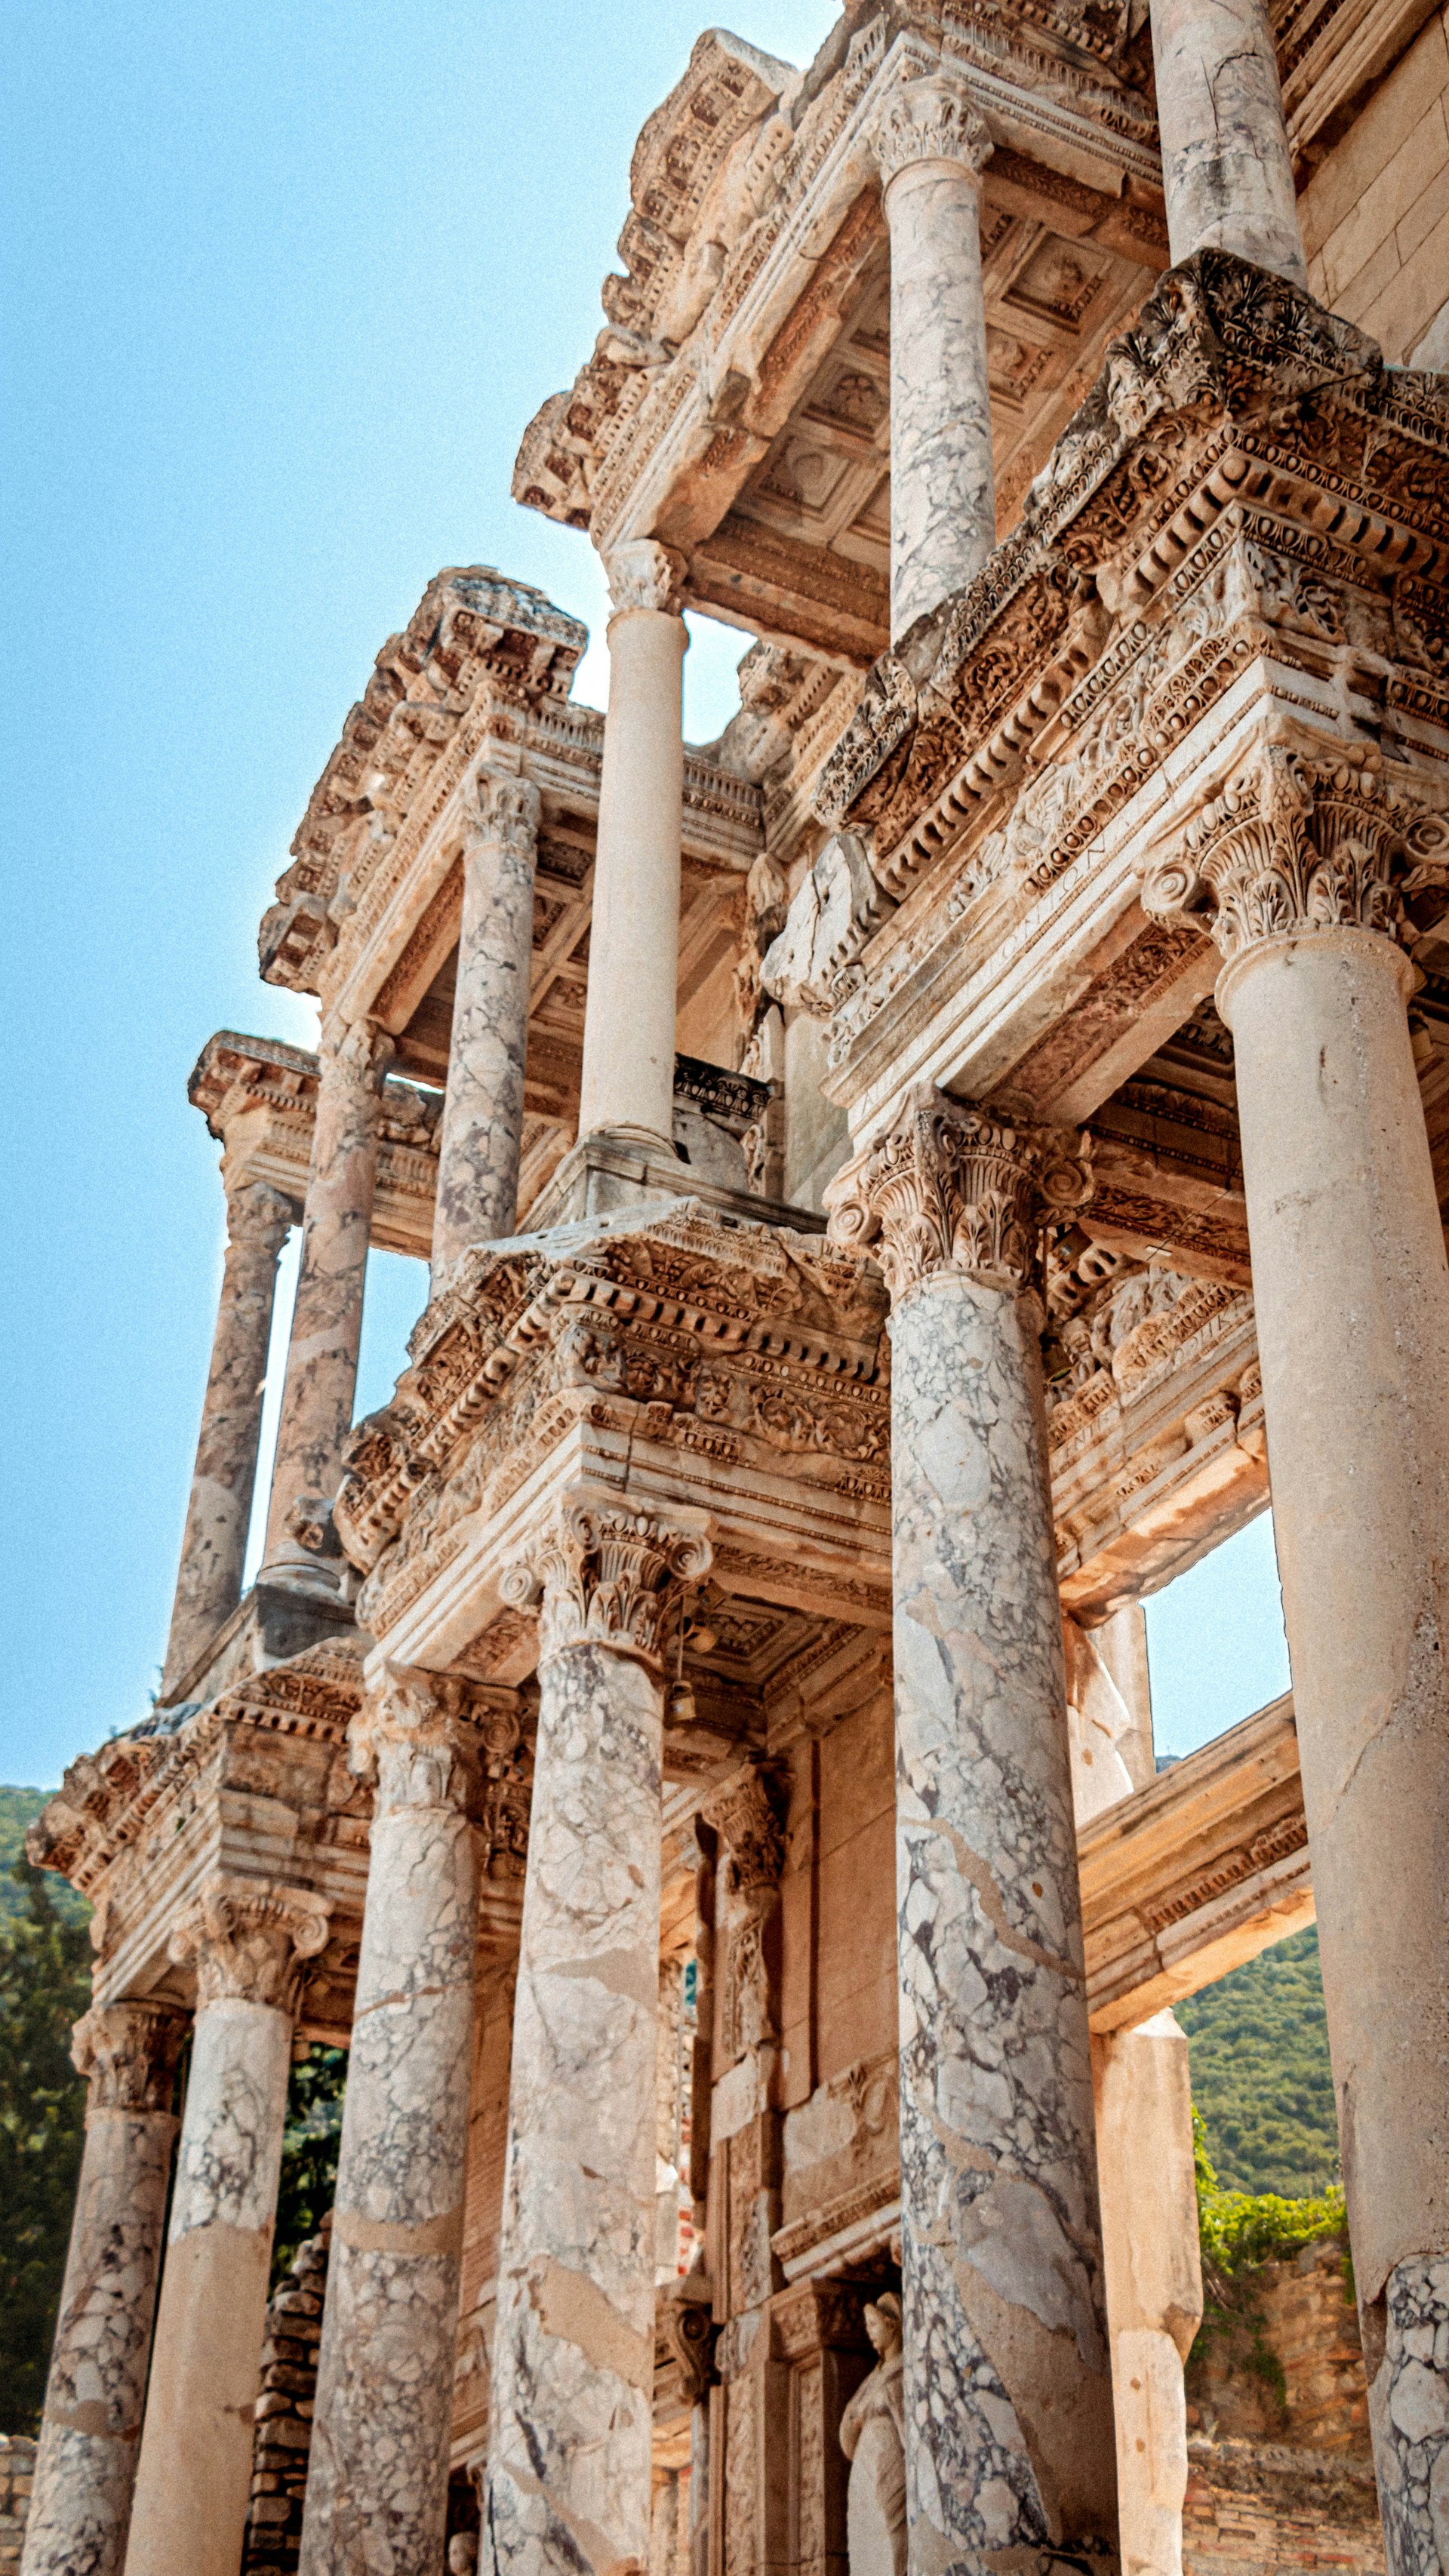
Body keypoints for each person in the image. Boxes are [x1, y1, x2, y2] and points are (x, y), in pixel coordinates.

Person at [838, 2291, 906, 2576]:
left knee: (893, 2527)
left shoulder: (904, 2369)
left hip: (890, 2457)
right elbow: (850, 2420)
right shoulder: (874, 2377)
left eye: (874, 2325)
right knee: (867, 2532)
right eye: (867, 2325)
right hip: (867, 2461)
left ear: (893, 2326)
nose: (869, 2332)